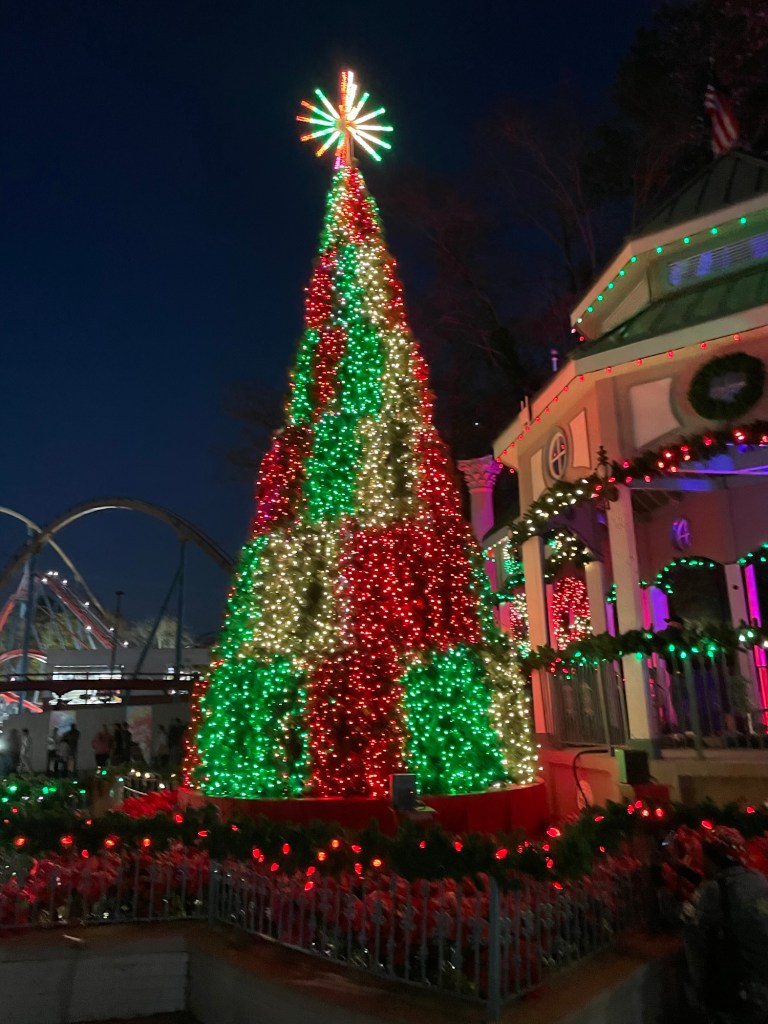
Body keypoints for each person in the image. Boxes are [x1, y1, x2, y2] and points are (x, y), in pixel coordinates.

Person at [684, 824, 768, 1022]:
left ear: (714, 858)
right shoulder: (759, 879)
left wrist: (700, 991)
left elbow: (693, 936)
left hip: (740, 992)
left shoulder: (713, 891)